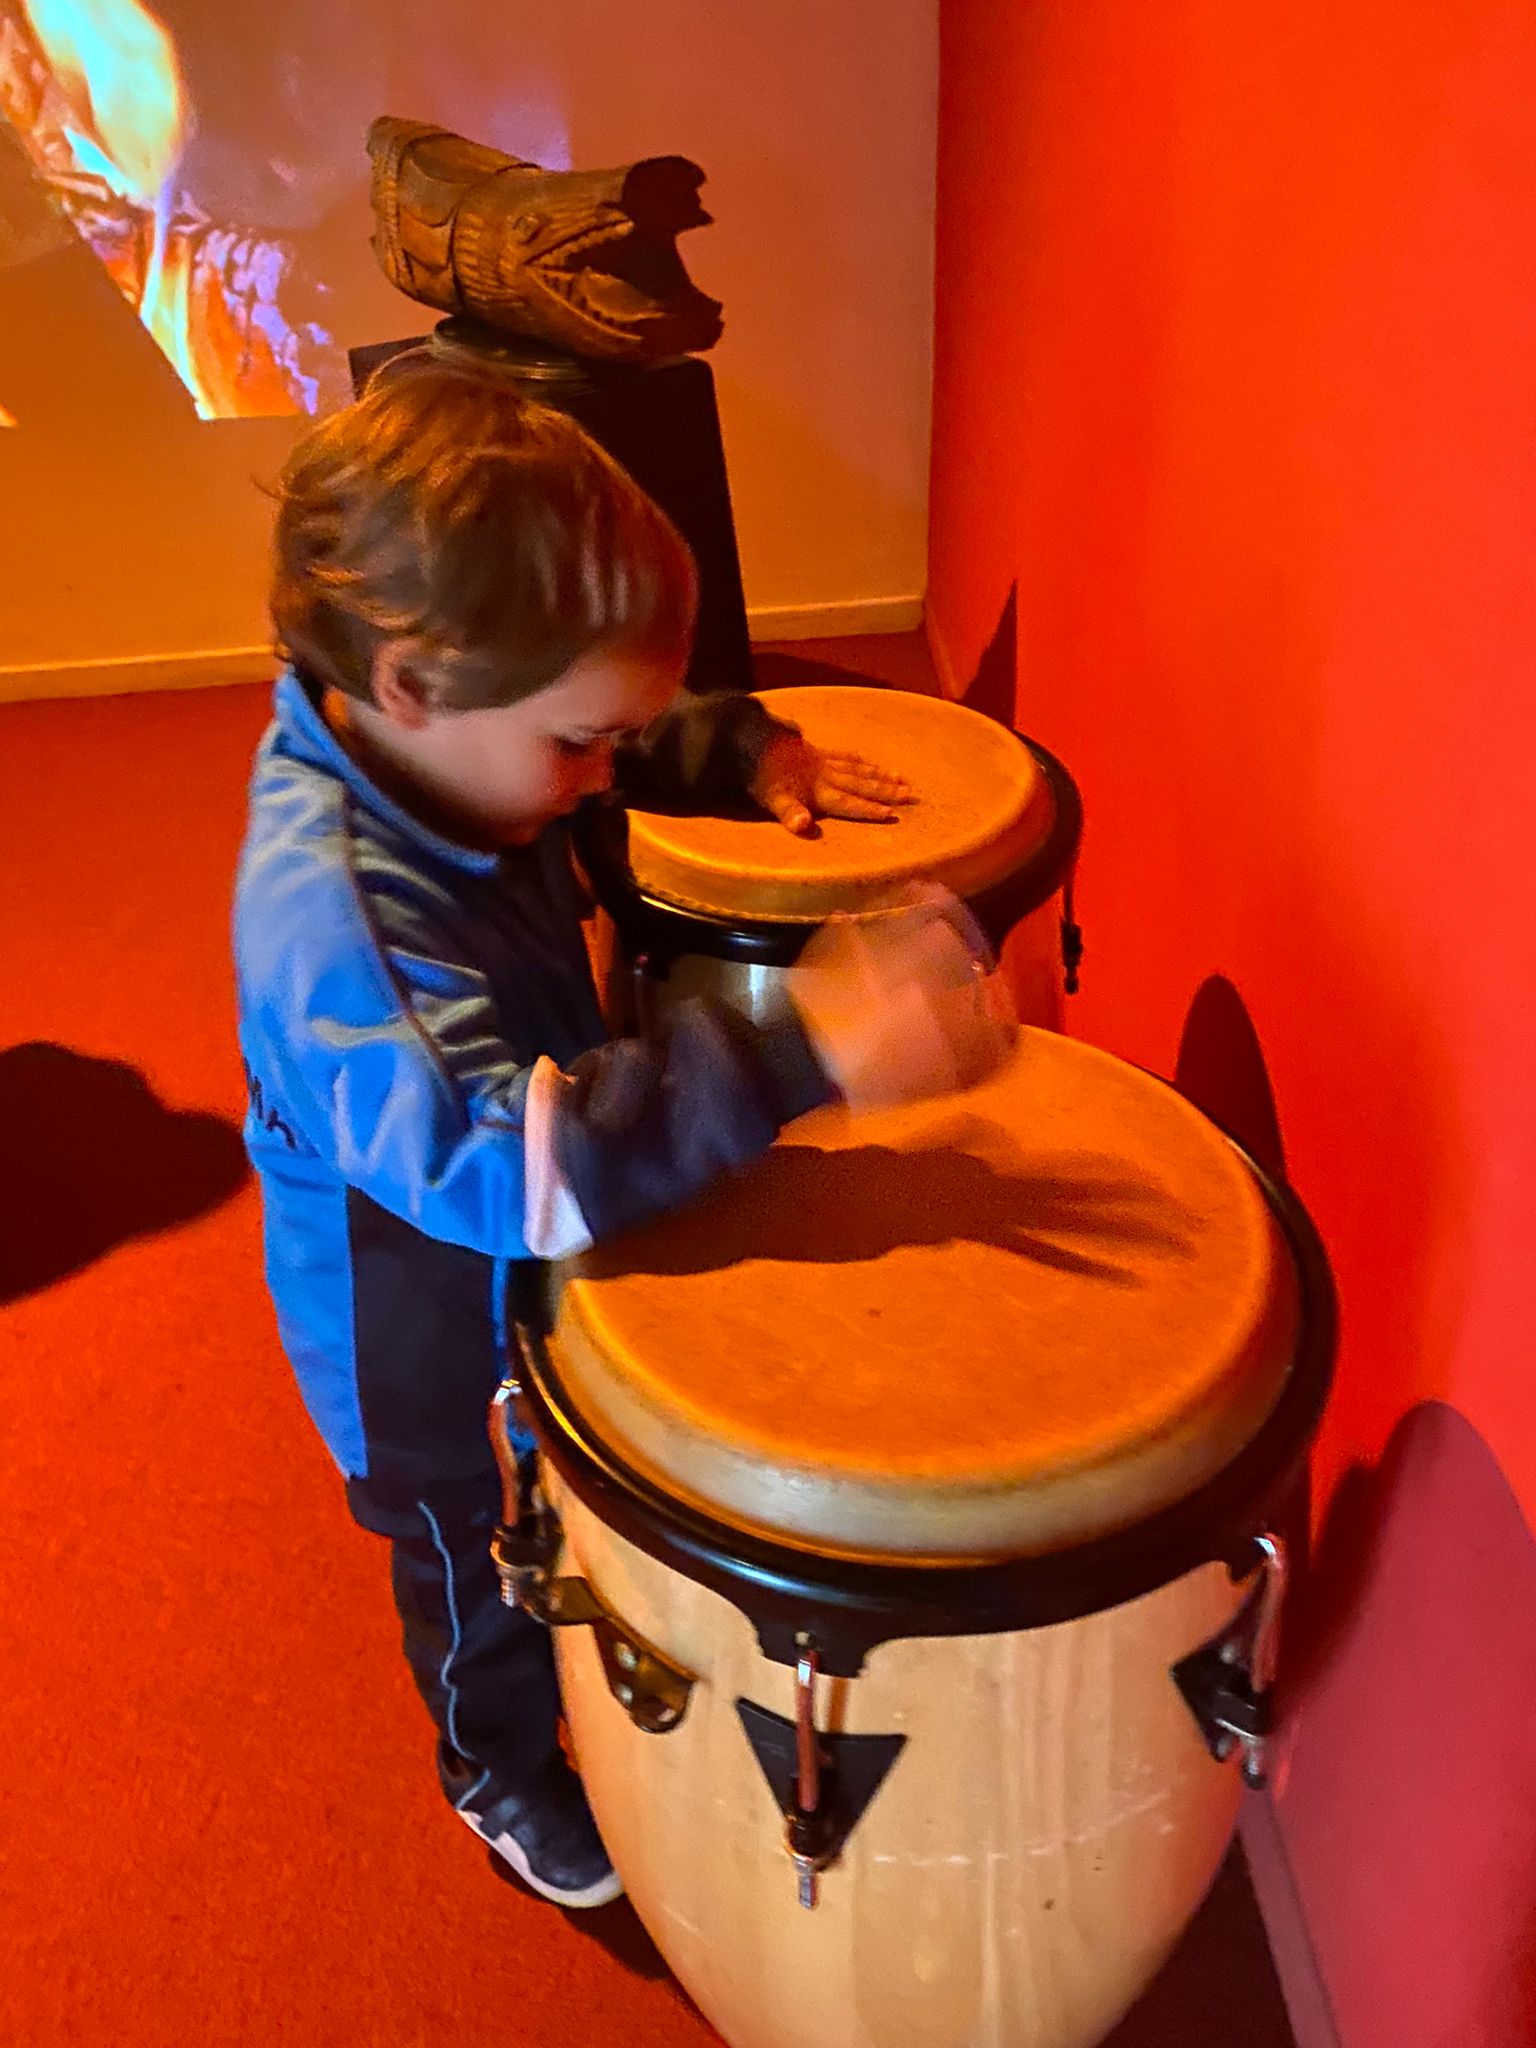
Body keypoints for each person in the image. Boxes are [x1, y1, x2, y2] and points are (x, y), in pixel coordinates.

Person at [233, 352, 1011, 1910]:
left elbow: (610, 728)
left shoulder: (465, 734)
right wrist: (806, 1048)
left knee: (581, 1481)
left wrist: (742, 752)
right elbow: (508, 1169)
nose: (598, 774)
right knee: (477, 1557)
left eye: (611, 734)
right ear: (412, 685)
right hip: (419, 1328)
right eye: (576, 743)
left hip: (518, 1222)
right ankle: (496, 1770)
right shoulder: (336, 930)